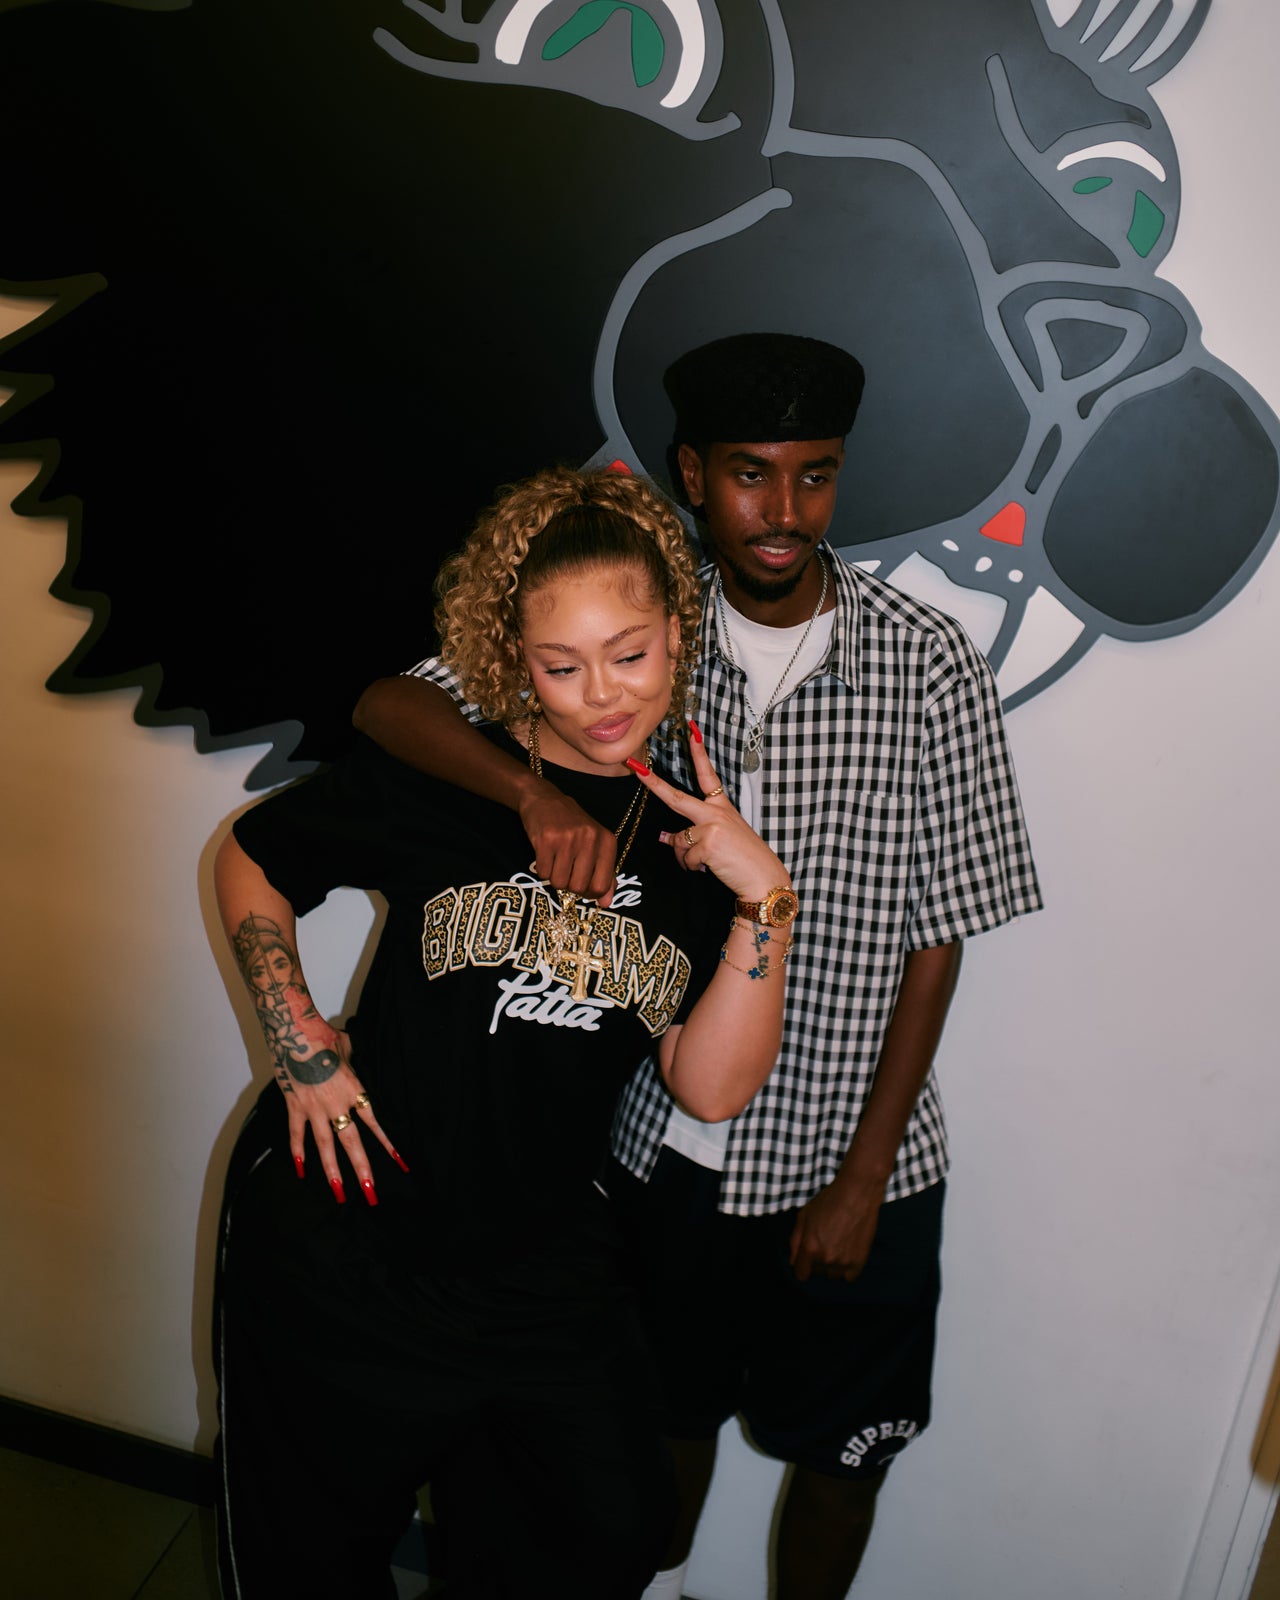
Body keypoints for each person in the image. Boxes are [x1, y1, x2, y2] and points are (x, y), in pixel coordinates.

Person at [353, 332, 1043, 1599]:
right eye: (749, 474)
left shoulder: (926, 660)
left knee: (842, 1463)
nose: (783, 510)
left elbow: (938, 933)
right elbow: (393, 704)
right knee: (646, 1460)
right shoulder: (632, 635)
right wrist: (528, 793)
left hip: (852, 1152)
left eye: (813, 475)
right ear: (693, 474)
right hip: (654, 1146)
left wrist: (861, 1177)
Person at [211, 465, 800, 1600]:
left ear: (677, 635)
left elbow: (711, 1086)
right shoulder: (453, 776)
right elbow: (253, 857)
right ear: (515, 660)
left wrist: (764, 899)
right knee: (307, 1567)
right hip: (345, 1247)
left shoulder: (692, 837)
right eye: (560, 666)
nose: (600, 695)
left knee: (607, 1529)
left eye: (628, 653)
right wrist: (303, 1048)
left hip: (541, 1267)